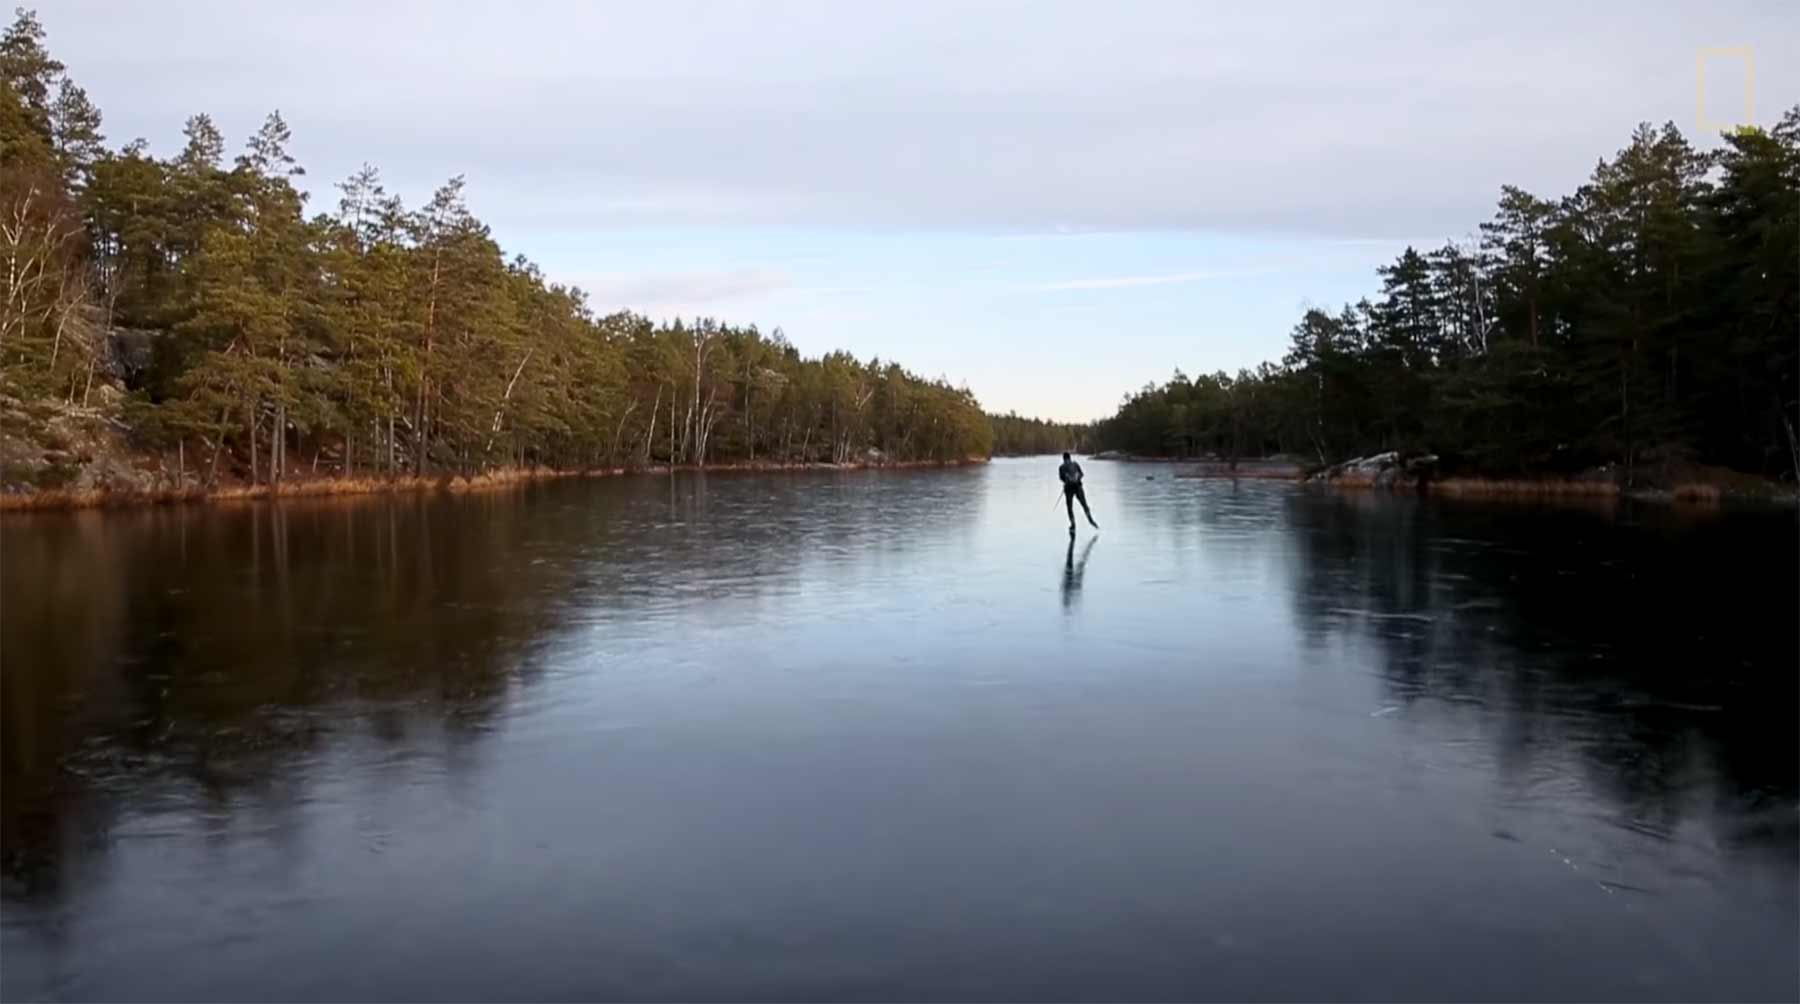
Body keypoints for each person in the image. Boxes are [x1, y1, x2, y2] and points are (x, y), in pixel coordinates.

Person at [1058, 452, 1098, 532]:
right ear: (1070, 458)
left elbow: (1061, 478)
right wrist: (1076, 478)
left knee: (1069, 508)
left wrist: (1067, 480)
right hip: (1078, 487)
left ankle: (1073, 525)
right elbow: (1082, 474)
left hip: (1069, 489)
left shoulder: (1061, 467)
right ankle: (1091, 520)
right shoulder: (1075, 464)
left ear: (1063, 459)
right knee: (1084, 504)